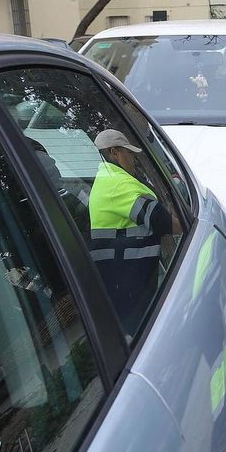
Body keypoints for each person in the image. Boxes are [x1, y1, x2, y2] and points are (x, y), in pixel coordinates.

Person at [89, 129, 172, 334]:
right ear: (114, 152)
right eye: (129, 153)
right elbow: (166, 223)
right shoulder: (119, 184)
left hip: (122, 278)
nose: (133, 159)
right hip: (131, 282)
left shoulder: (105, 181)